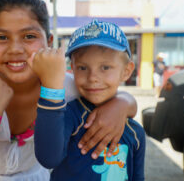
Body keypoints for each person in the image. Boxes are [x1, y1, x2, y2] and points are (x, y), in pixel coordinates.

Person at [0, 0, 137, 181]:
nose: (15, 49)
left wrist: (122, 103)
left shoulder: (66, 87)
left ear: (49, 42)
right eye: (2, 37)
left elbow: (114, 97)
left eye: (29, 36)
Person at [32, 20, 146, 180]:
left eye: (105, 67)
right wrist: (50, 90)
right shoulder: (69, 115)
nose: (93, 78)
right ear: (72, 68)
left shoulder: (136, 133)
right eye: (82, 68)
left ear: (126, 71)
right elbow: (48, 158)